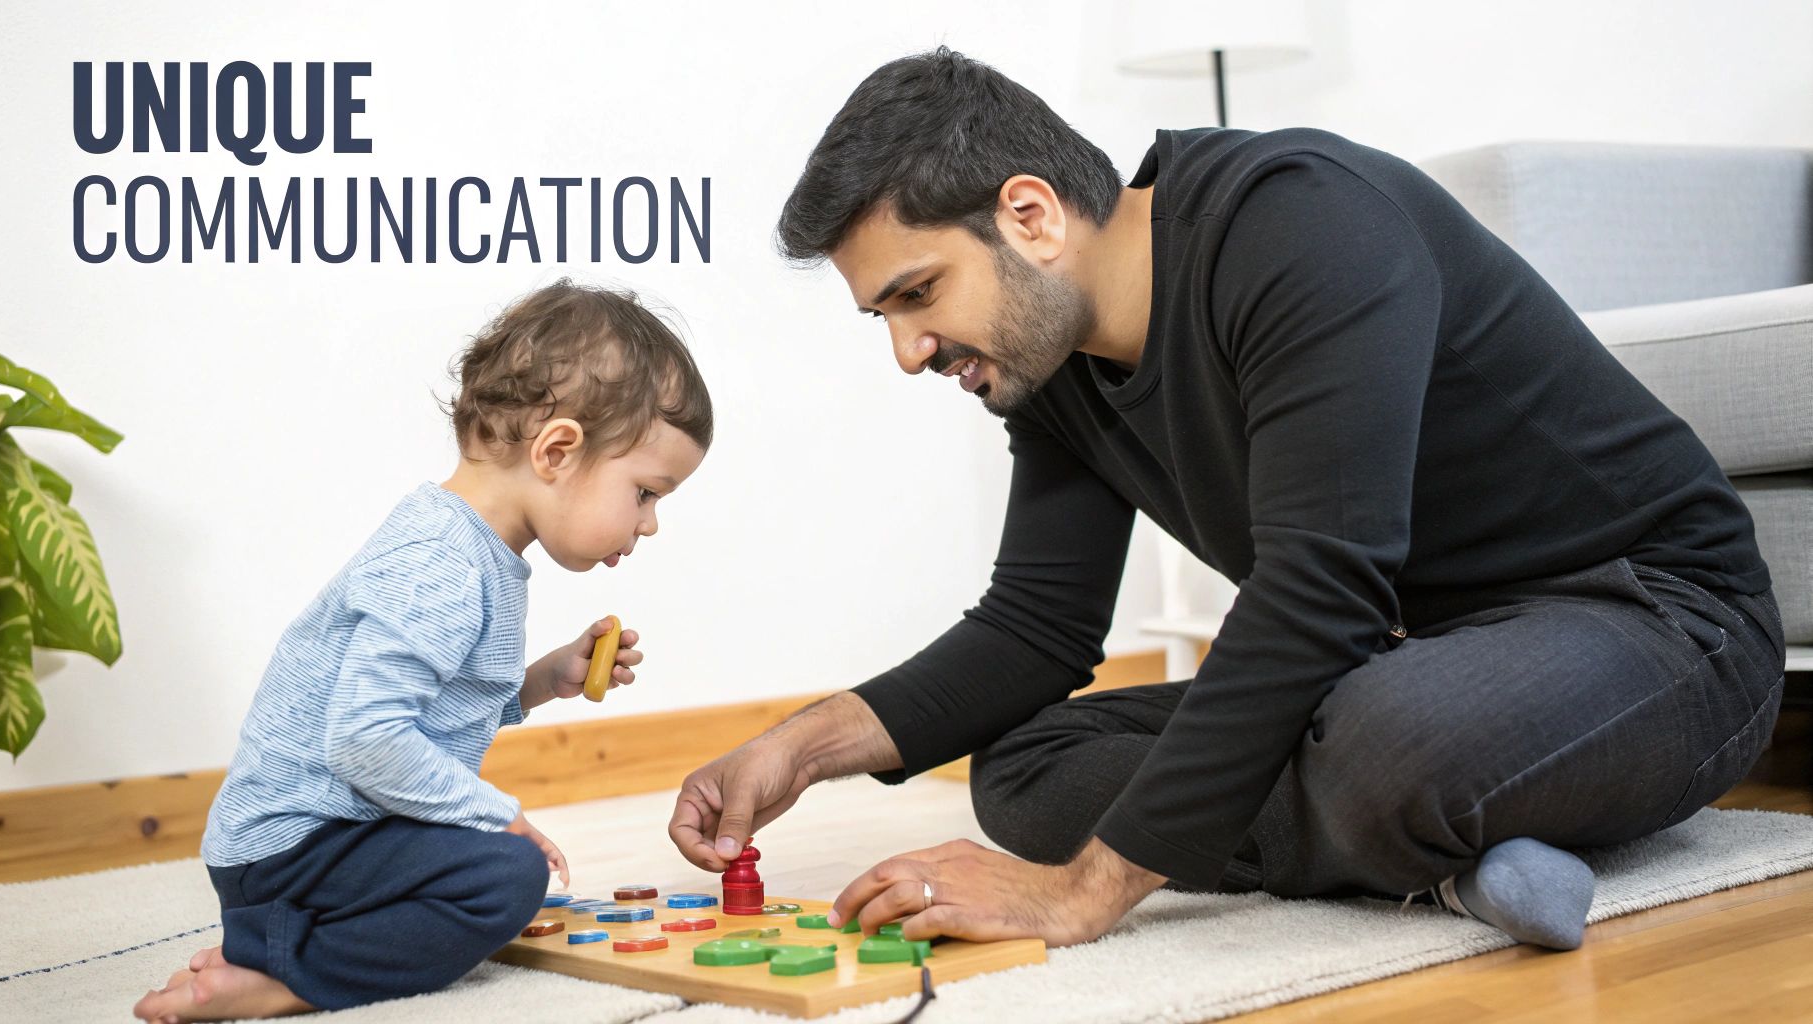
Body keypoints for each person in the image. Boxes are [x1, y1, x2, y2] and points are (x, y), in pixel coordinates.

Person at [668, 48, 1786, 952]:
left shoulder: (1300, 225)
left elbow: (1318, 586)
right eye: (885, 318)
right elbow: (1034, 627)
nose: (911, 351)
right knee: (1022, 770)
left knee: (1379, 743)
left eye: (919, 295)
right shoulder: (1049, 369)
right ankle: (1449, 866)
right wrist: (798, 746)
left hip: (1660, 626)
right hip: (1405, 658)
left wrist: (1083, 893)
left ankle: (1407, 827)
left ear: (1030, 217)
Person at [134, 280, 711, 1021]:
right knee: (507, 876)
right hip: (293, 849)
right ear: (558, 449)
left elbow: (437, 708)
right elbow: (366, 739)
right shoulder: (443, 561)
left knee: (493, 867)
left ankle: (282, 938)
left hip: (328, 837)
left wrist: (543, 681)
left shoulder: (474, 548)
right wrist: (497, 814)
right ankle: (290, 970)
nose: (651, 523)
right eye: (645, 493)